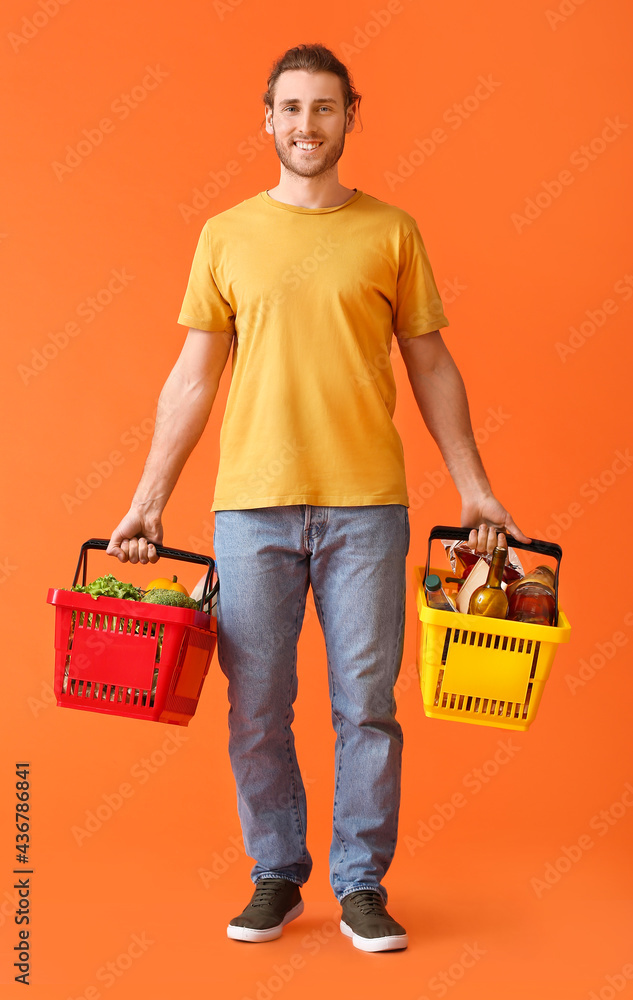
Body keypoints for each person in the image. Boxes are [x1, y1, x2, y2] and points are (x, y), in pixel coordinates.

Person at [107, 43, 530, 953]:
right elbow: (191, 379)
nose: (306, 125)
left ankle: (362, 885)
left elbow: (430, 364)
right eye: (290, 108)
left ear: (350, 118)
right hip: (250, 508)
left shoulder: (391, 231)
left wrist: (475, 486)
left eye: (324, 109)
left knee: (365, 704)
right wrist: (149, 499)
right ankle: (276, 875)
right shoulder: (223, 234)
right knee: (255, 705)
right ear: (266, 119)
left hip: (366, 509)